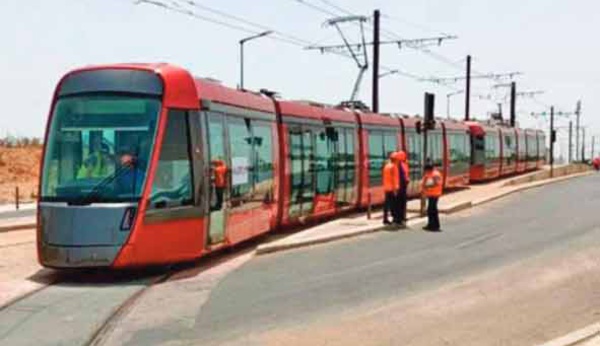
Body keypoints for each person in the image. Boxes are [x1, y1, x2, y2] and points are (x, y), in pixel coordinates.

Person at [421, 159, 443, 231]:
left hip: (435, 194)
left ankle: (434, 225)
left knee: (432, 210)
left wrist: (428, 186)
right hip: (430, 194)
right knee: (431, 209)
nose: (426, 171)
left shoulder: (435, 174)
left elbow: (437, 183)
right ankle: (431, 224)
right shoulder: (428, 174)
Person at [382, 152, 400, 226]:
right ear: (396, 159)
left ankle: (385, 219)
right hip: (392, 189)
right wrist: (396, 189)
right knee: (394, 205)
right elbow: (395, 179)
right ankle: (395, 219)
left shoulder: (386, 166)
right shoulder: (394, 167)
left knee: (386, 205)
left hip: (386, 188)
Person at [394, 150, 410, 227]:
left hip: (399, 187)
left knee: (398, 204)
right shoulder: (402, 165)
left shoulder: (398, 165)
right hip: (401, 187)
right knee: (401, 204)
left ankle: (399, 219)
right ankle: (401, 218)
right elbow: (404, 176)